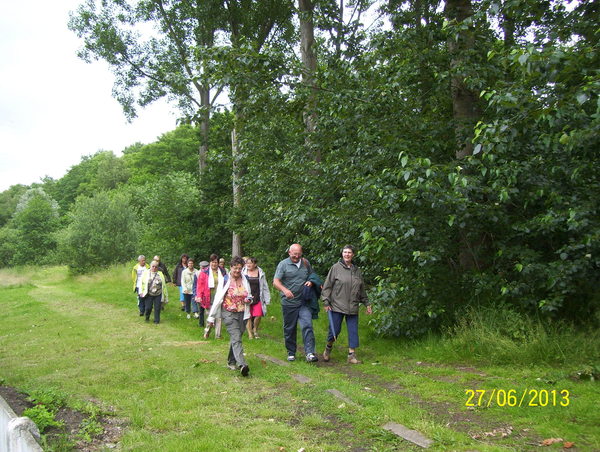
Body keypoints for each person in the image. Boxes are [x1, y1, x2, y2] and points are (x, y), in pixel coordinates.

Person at [321, 245, 372, 364]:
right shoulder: (335, 268)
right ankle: (328, 348)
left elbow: (362, 289)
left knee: (353, 330)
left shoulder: (357, 271)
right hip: (337, 305)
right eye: (345, 252)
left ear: (353, 255)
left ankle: (351, 355)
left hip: (353, 305)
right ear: (342, 254)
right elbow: (327, 286)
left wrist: (367, 303)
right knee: (335, 329)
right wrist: (326, 302)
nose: (347, 254)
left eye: (349, 252)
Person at [206, 256, 252, 376]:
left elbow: (249, 294)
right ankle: (242, 364)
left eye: (240, 268)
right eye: (235, 268)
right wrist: (211, 317)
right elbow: (217, 298)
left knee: (236, 338)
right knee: (236, 337)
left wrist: (249, 300)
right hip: (228, 312)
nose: (237, 271)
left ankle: (231, 361)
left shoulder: (245, 279)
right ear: (231, 267)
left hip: (242, 312)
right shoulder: (225, 279)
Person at [273, 244, 318, 363]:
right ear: (289, 253)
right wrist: (285, 290)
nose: (297, 256)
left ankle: (309, 353)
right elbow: (276, 281)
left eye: (299, 254)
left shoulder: (305, 263)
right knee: (289, 328)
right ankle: (291, 352)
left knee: (307, 325)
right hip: (289, 303)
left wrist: (310, 282)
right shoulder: (283, 264)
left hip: (304, 302)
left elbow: (312, 276)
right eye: (294, 254)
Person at [197, 254, 227, 337]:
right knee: (210, 316)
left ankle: (218, 335)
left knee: (219, 317)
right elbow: (200, 285)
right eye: (212, 262)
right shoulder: (204, 272)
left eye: (215, 262)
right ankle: (207, 331)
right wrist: (199, 296)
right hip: (208, 297)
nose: (214, 264)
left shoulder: (223, 272)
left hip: (219, 297)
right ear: (210, 262)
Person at [242, 257, 271, 339]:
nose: (249, 265)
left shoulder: (260, 273)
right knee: (248, 316)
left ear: (255, 264)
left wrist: (267, 298)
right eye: (247, 263)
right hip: (247, 297)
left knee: (258, 314)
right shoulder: (243, 272)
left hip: (258, 296)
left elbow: (264, 286)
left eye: (251, 263)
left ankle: (255, 329)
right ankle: (250, 334)